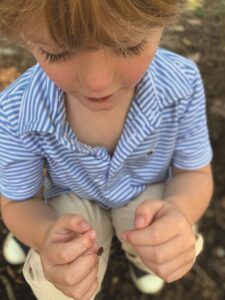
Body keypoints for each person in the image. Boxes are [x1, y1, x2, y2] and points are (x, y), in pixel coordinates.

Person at [0, 1, 213, 299]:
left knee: (162, 231)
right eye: (57, 52)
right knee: (57, 282)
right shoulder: (15, 111)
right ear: (22, 35)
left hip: (146, 192)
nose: (96, 82)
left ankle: (144, 258)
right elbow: (17, 202)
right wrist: (44, 233)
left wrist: (180, 211)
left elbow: (194, 172)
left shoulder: (182, 83)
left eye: (129, 45)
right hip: (70, 196)